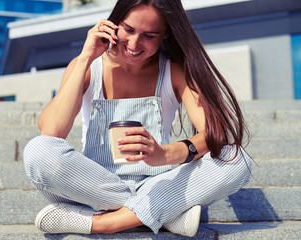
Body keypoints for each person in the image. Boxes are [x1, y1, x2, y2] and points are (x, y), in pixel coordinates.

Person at [23, 0, 252, 237]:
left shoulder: (174, 71)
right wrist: (84, 58)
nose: (133, 44)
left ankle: (106, 222)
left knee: (236, 159)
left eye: (149, 35)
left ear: (165, 34)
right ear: (114, 24)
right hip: (95, 184)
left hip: (158, 184)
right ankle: (164, 215)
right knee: (38, 151)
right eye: (128, 30)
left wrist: (164, 154)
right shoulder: (88, 66)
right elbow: (51, 131)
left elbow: (214, 134)